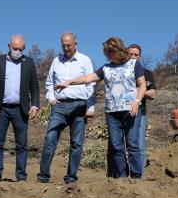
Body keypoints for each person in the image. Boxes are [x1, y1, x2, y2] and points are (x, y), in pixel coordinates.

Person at [56, 37, 146, 179]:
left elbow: (142, 85)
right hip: (112, 113)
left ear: (119, 50)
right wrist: (70, 82)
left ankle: (136, 177)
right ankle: (122, 176)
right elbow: (88, 78)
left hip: (131, 110)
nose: (109, 55)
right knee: (116, 146)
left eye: (111, 52)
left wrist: (137, 101)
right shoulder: (106, 68)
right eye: (107, 53)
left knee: (132, 144)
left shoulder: (134, 64)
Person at [36, 32, 95, 184]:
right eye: (63, 45)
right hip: (59, 106)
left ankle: (71, 177)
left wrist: (91, 106)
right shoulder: (56, 61)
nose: (66, 48)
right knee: (50, 139)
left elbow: (91, 84)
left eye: (69, 45)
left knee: (76, 143)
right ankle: (43, 176)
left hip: (79, 105)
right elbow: (49, 83)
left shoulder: (85, 60)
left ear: (75, 43)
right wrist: (51, 98)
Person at [0, 35, 40, 181]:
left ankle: (21, 177)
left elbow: (34, 87)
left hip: (20, 109)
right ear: (9, 46)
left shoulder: (29, 63)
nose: (17, 51)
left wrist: (35, 105)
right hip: (0, 108)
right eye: (15, 48)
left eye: (20, 49)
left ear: (24, 49)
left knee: (21, 145)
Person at [124, 44, 156, 177]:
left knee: (139, 146)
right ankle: (123, 177)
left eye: (135, 55)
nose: (132, 57)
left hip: (140, 113)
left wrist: (140, 91)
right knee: (121, 146)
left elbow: (153, 94)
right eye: (130, 54)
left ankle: (139, 178)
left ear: (140, 56)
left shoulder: (147, 73)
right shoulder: (121, 70)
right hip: (122, 113)